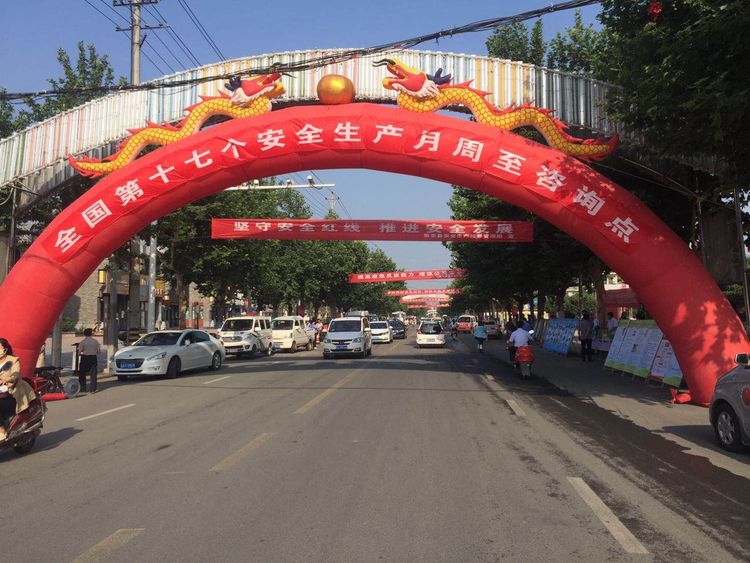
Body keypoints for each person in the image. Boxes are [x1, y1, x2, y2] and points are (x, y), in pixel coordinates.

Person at [0, 338, 37, 441]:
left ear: (5, 349)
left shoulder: (13, 360)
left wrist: (7, 379)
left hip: (10, 395)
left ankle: (1, 431)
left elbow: (15, 374)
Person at [77, 328, 101, 393]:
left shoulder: (83, 342)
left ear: (84, 334)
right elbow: (99, 351)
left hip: (85, 358)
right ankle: (93, 389)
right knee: (93, 374)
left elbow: (79, 353)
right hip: (93, 358)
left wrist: (81, 354)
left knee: (82, 374)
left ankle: (83, 389)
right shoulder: (95, 341)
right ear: (91, 334)